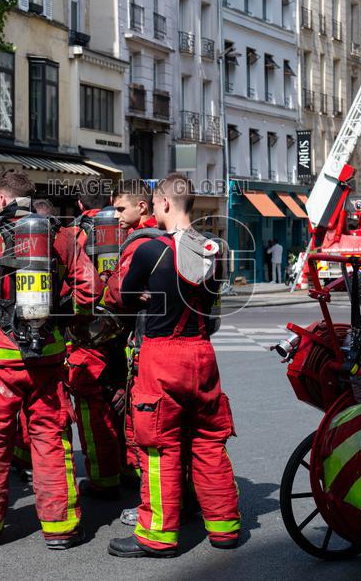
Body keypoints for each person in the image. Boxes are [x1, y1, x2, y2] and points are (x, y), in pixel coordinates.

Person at [0, 169, 99, 549]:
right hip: (47, 360)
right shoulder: (61, 237)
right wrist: (68, 322)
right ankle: (60, 527)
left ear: (1, 199)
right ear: (31, 199)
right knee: (51, 440)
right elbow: (89, 290)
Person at [108, 173, 240, 558]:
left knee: (159, 445)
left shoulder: (151, 250)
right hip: (202, 353)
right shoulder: (214, 249)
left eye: (156, 203)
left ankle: (158, 536)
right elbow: (210, 300)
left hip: (163, 355)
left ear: (164, 203)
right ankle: (225, 527)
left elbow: (124, 297)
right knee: (209, 441)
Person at [104, 179, 161, 526]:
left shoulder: (139, 243)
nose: (116, 216)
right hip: (169, 340)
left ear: (142, 206)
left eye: (120, 208)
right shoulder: (167, 238)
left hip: (143, 343)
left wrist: (112, 285)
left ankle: (151, 505)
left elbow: (120, 292)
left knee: (143, 428)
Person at [64, 188, 126, 497]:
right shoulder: (125, 230)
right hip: (124, 329)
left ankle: (104, 478)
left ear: (79, 203)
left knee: (91, 406)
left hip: (87, 331)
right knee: (123, 399)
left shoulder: (70, 235)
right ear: (110, 202)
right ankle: (130, 467)